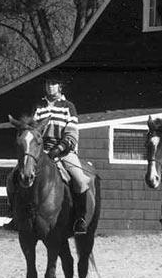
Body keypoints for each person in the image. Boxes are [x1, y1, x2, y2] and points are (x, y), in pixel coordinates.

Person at [6, 77, 95, 234]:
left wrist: (59, 148)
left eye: (53, 84)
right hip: (40, 151)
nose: (50, 87)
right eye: (48, 84)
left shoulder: (69, 107)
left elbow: (72, 133)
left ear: (60, 86)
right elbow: (33, 129)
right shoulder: (39, 107)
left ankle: (80, 219)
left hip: (64, 152)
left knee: (80, 180)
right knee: (12, 177)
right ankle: (14, 215)